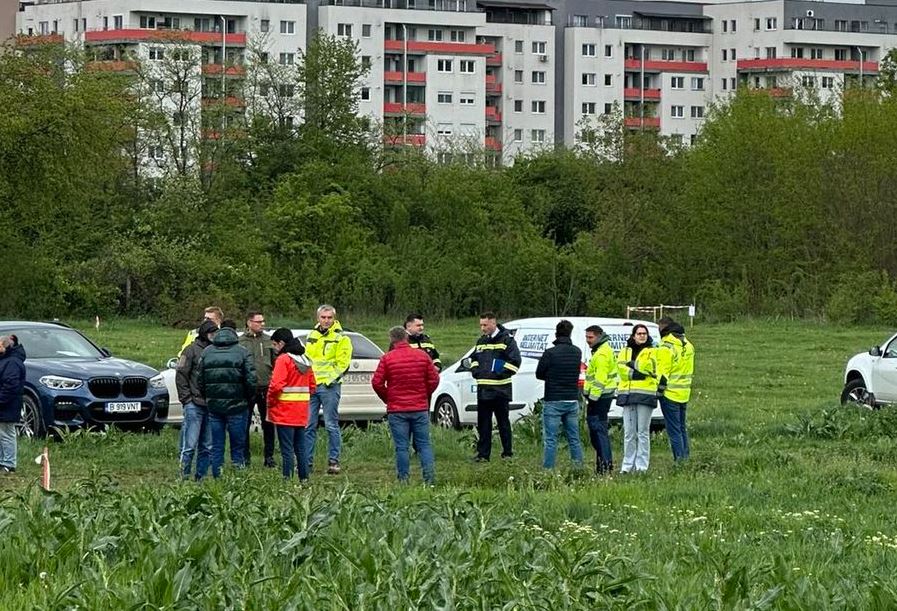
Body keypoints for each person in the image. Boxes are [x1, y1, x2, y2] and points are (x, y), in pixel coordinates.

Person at [372, 326, 440, 485]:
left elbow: (377, 382)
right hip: (419, 407)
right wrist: (424, 394)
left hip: (397, 409)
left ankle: (403, 480)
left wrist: (388, 398)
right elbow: (434, 379)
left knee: (402, 447)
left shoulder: (387, 358)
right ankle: (429, 480)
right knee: (424, 445)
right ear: (406, 338)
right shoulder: (422, 356)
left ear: (391, 339)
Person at [198, 324, 257, 478]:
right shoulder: (243, 352)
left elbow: (200, 381)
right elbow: (251, 380)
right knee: (238, 446)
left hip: (214, 407)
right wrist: (248, 398)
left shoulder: (207, 352)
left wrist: (208, 398)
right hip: (238, 406)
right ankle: (238, 478)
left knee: (217, 446)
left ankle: (218, 476)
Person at [304, 304, 352, 474]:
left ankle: (334, 461)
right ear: (318, 318)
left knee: (331, 424)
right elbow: (307, 360)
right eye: (323, 317)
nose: (326, 321)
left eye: (329, 317)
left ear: (334, 318)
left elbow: (343, 364)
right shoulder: (312, 335)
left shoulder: (341, 338)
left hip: (329, 386)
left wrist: (329, 381)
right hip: (312, 386)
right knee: (308, 425)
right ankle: (306, 462)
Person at [468, 312, 521, 462]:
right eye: (481, 325)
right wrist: (475, 371)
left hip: (500, 390)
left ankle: (507, 453)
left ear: (493, 323)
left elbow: (515, 362)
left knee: (503, 423)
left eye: (485, 325)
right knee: (483, 424)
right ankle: (483, 455)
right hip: (483, 390)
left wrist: (497, 373)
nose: (482, 328)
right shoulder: (481, 341)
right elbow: (473, 359)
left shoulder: (507, 340)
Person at [267, 328, 315, 482]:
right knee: (300, 448)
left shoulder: (283, 360)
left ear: (281, 343)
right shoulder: (305, 359)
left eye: (275, 345)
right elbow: (313, 385)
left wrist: (270, 402)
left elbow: (276, 386)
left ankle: (287, 479)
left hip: (284, 411)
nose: (274, 348)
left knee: (286, 449)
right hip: (301, 411)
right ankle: (304, 479)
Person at [535, 320, 584, 470]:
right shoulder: (577, 352)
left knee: (551, 439)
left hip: (553, 399)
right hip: (571, 398)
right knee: (574, 438)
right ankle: (578, 468)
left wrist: (551, 377)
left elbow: (539, 373)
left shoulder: (550, 353)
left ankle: (548, 470)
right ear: (570, 333)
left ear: (556, 333)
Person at [174, 319, 216, 480]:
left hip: (210, 405)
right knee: (189, 446)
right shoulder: (189, 350)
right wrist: (186, 399)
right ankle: (183, 476)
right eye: (212, 333)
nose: (214, 336)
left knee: (207, 446)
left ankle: (201, 477)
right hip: (194, 404)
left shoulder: (215, 350)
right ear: (205, 334)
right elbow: (181, 375)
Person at [616, 324, 659, 474]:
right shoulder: (624, 351)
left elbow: (652, 368)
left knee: (642, 432)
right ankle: (627, 466)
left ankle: (641, 467)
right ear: (633, 335)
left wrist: (633, 364)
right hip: (627, 395)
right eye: (639, 333)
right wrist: (635, 373)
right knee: (629, 433)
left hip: (645, 395)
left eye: (644, 333)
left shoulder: (653, 351)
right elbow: (620, 368)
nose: (642, 336)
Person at [239, 311, 276, 468]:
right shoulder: (240, 341)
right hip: (247, 388)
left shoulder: (268, 340)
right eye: (258, 321)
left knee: (268, 423)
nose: (262, 324)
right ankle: (244, 457)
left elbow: (275, 362)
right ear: (249, 322)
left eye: (263, 321)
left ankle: (269, 456)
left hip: (266, 386)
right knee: (244, 423)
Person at [656, 317, 695, 462]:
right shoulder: (688, 345)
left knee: (674, 431)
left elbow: (663, 373)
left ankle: (679, 461)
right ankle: (685, 458)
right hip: (684, 392)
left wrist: (659, 391)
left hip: (670, 393)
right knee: (682, 428)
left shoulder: (666, 347)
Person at [583, 325, 619, 474]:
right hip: (601, 396)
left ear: (598, 336)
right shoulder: (601, 350)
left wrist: (592, 398)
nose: (587, 341)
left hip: (599, 398)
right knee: (598, 431)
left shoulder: (602, 354)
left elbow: (600, 379)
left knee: (598, 432)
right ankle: (603, 464)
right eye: (586, 337)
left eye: (590, 337)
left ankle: (605, 465)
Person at [0, 336, 26, 474]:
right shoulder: (6, 360)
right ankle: (3, 461)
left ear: (6, 347)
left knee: (7, 434)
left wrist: (1, 400)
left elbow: (11, 386)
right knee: (2, 433)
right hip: (5, 404)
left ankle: (9, 464)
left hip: (8, 405)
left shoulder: (12, 363)